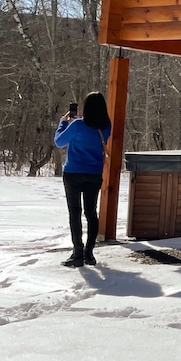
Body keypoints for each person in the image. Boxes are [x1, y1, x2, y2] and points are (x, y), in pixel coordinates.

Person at [53, 92, 112, 267]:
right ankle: (89, 253)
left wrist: (63, 123)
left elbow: (59, 142)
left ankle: (77, 253)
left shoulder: (77, 124)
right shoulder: (106, 126)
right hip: (94, 174)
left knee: (75, 213)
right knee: (91, 212)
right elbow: (93, 134)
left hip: (73, 173)